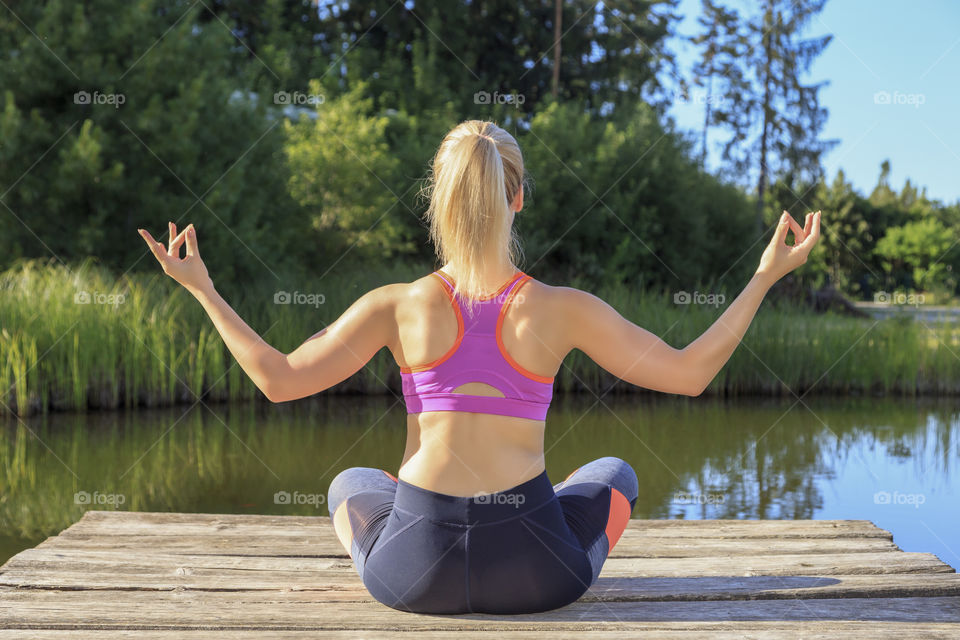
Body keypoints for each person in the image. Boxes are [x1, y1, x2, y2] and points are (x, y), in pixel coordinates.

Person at [138, 120, 821, 614]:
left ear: (438, 201)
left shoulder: (396, 306)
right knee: (615, 474)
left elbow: (278, 379)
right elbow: (691, 373)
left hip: (413, 575)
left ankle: (399, 531)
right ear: (517, 198)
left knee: (351, 483)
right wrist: (763, 276)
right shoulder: (562, 309)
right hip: (536, 574)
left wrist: (204, 288)